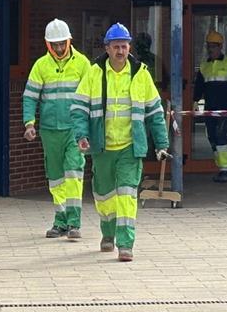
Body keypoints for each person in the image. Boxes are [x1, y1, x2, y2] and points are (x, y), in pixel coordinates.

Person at [71, 22, 169, 263]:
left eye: (124, 46)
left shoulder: (141, 74)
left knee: (127, 194)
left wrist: (161, 144)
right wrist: (81, 136)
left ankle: (125, 244)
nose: (120, 51)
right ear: (107, 48)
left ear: (129, 48)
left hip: (129, 147)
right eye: (116, 47)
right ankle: (108, 233)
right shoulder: (94, 73)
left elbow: (155, 112)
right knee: (104, 195)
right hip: (102, 146)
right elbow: (79, 108)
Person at [23, 18, 92, 239]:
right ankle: (60, 220)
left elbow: (91, 97)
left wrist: (88, 127)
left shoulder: (82, 64)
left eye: (63, 43)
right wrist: (29, 123)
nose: (60, 48)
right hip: (49, 130)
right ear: (48, 44)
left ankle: (74, 223)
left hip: (74, 129)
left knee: (73, 172)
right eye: (55, 45)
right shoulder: (41, 66)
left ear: (69, 41)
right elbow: (30, 97)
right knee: (55, 177)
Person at [193, 29, 227, 183]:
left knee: (220, 135)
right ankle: (221, 167)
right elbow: (199, 86)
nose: (211, 49)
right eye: (209, 46)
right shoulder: (204, 66)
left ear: (220, 47)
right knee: (211, 137)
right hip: (209, 108)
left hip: (224, 108)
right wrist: (195, 101)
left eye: (214, 46)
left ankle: (226, 170)